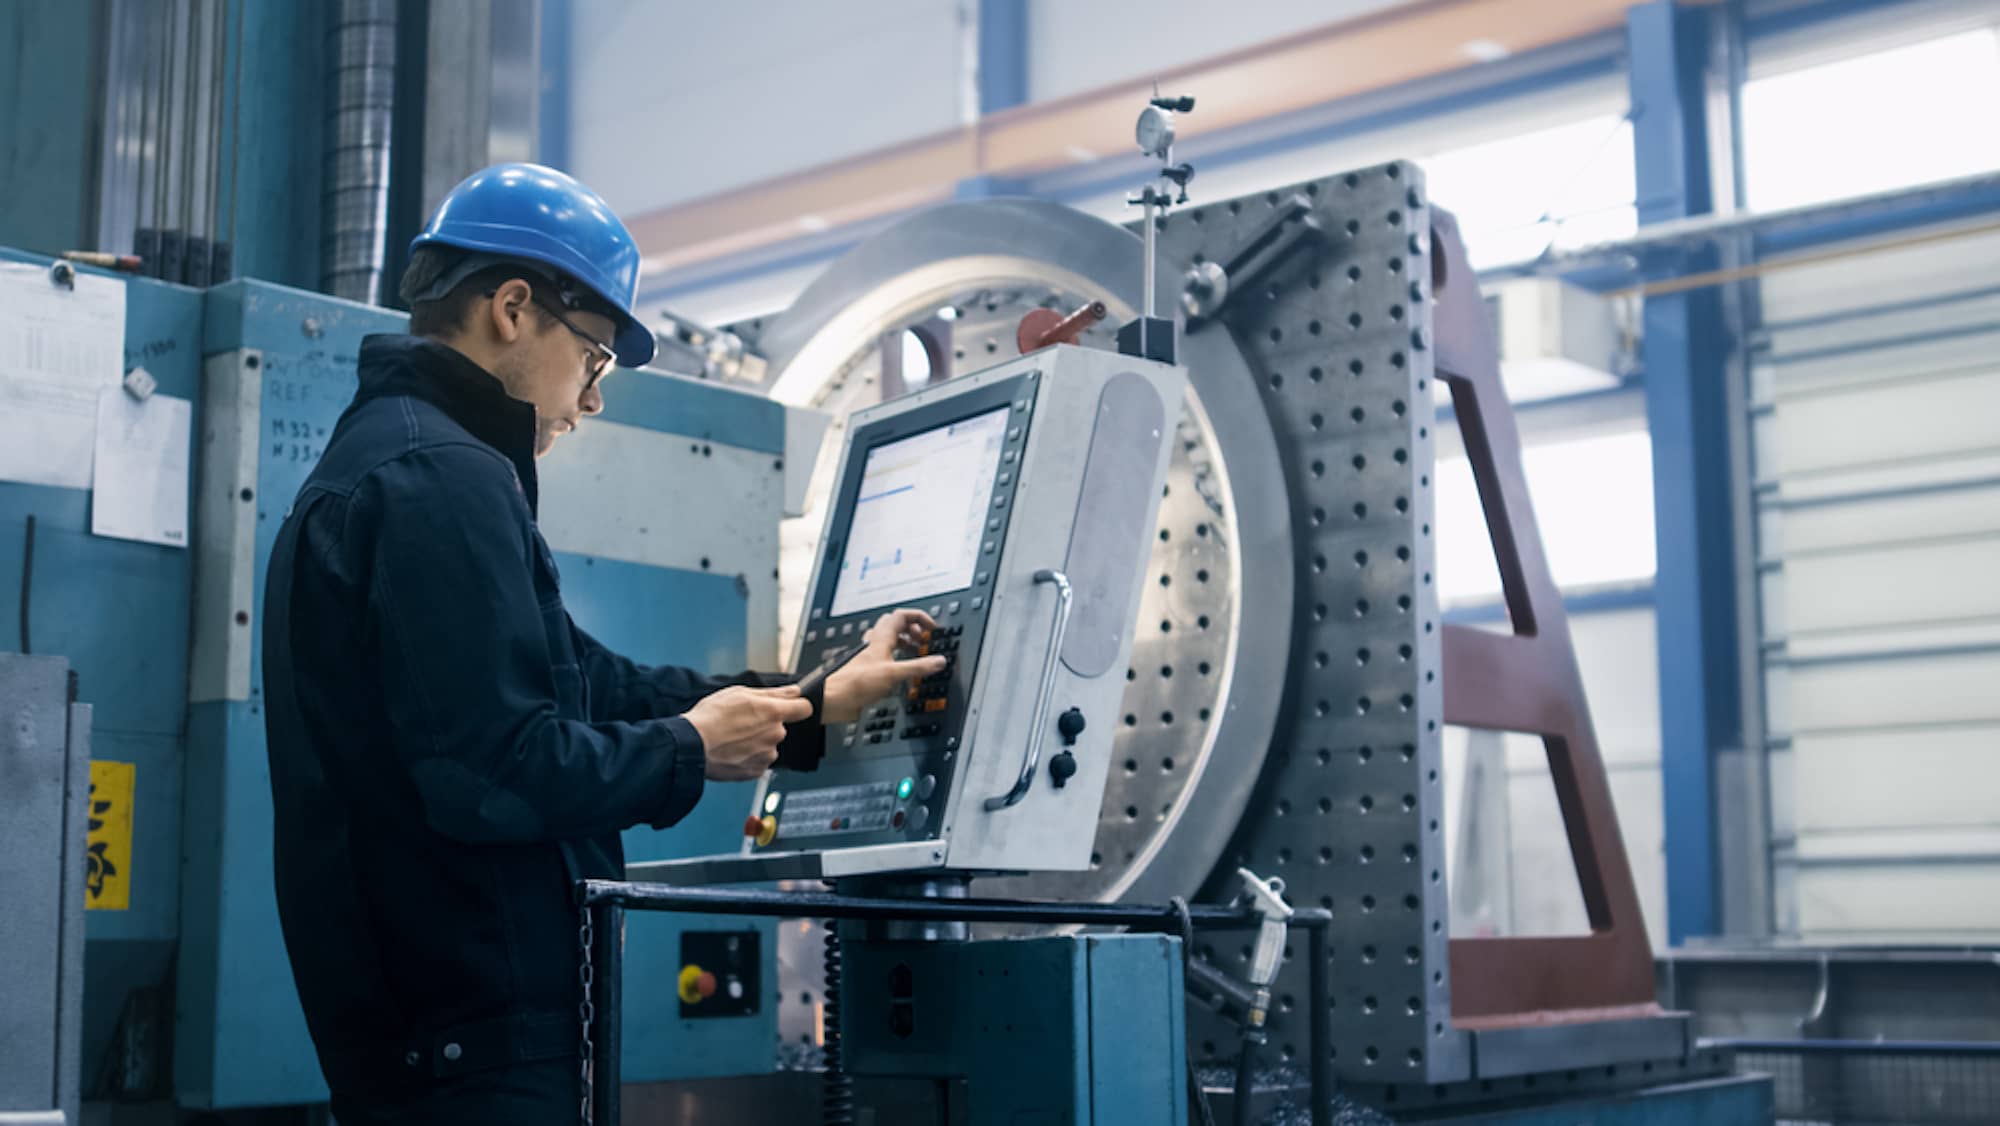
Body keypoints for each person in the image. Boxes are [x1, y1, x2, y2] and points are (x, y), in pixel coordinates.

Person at [260, 163, 945, 1124]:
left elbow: (592, 682)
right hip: (476, 1050)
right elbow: (496, 770)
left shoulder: (395, 460)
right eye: (593, 358)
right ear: (511, 308)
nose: (592, 399)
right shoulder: (441, 480)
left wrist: (813, 703)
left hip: (437, 1040)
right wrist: (693, 752)